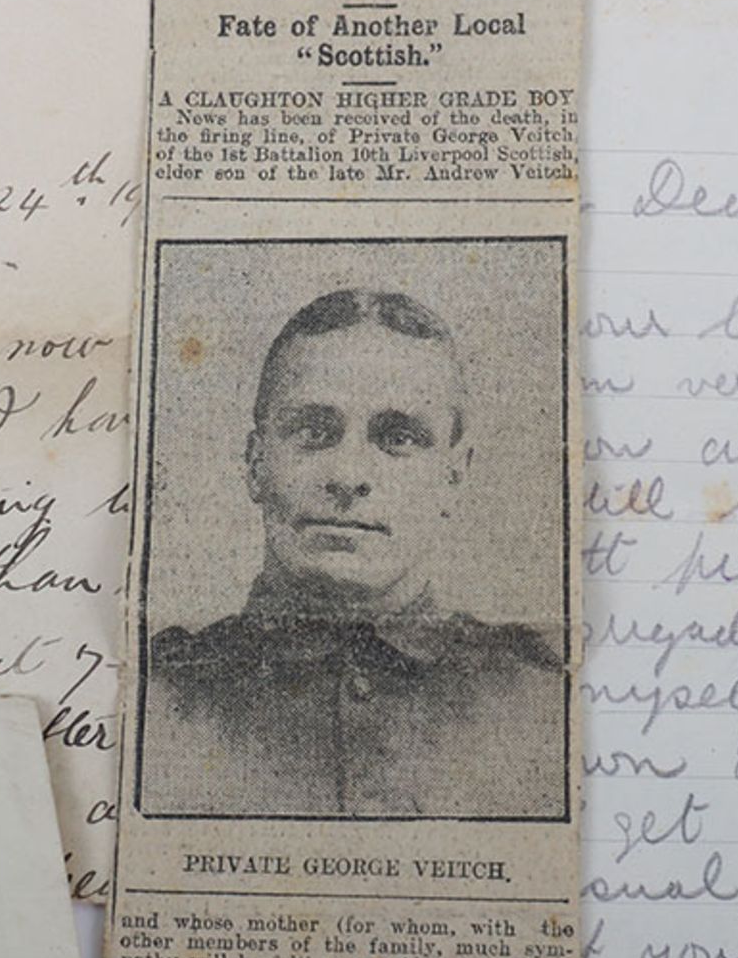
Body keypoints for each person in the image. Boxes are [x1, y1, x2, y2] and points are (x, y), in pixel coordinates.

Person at [141, 287, 567, 819]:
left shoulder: (538, 700)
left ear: (454, 476)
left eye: (399, 438)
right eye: (314, 431)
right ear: (255, 463)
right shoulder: (160, 694)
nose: (347, 477)